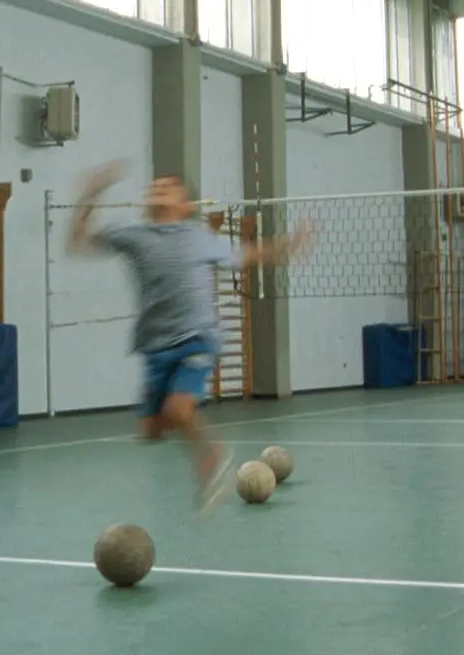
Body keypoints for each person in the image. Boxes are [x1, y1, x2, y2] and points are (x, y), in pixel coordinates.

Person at [67, 165, 313, 513]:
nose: (157, 190)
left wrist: (286, 247)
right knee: (151, 431)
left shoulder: (198, 237)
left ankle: (213, 459)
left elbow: (246, 255)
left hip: (198, 336)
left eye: (168, 187)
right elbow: (78, 243)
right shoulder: (133, 235)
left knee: (179, 409)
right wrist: (90, 195)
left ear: (186, 205)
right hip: (155, 345)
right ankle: (179, 425)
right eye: (153, 187)